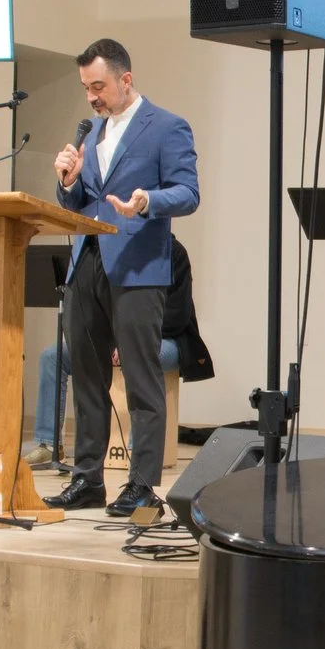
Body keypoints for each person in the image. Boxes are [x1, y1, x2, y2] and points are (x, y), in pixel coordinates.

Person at [52, 39, 200, 517]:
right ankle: (87, 478)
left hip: (137, 263)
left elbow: (188, 193)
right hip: (86, 260)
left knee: (141, 379)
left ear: (125, 79)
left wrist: (147, 202)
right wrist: (68, 182)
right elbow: (75, 204)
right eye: (86, 88)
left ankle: (141, 483)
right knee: (86, 377)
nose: (92, 97)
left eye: (98, 86)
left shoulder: (167, 127)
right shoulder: (90, 131)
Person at [26, 237, 212, 465]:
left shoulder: (174, 252)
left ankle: (138, 453)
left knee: (142, 354)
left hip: (167, 338)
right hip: (116, 339)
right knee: (52, 356)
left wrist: (130, 340)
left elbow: (177, 314)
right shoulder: (113, 251)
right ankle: (49, 443)